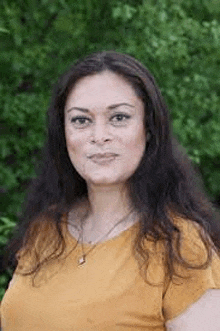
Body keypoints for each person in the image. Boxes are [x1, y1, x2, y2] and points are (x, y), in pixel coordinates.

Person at [1, 51, 220, 331]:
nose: (99, 135)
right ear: (64, 134)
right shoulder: (45, 229)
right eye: (81, 120)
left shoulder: (180, 245)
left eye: (118, 117)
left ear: (149, 129)